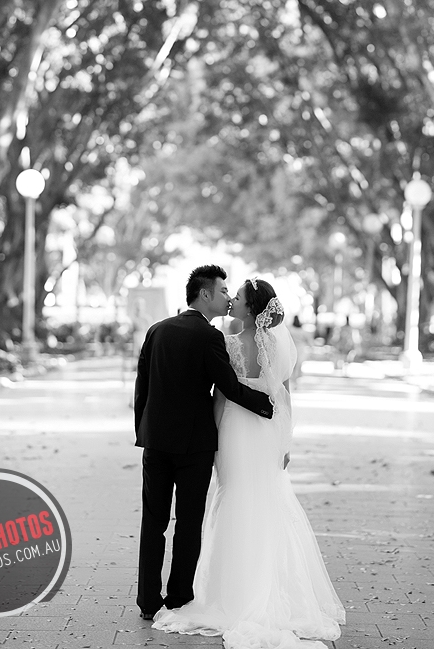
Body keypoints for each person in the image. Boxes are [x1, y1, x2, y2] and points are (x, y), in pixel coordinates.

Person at [153, 277, 345, 649]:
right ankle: (267, 585)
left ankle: (234, 592)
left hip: (234, 429)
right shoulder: (277, 346)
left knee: (234, 497)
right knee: (265, 499)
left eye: (238, 297)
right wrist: (285, 440)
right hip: (267, 428)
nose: (232, 301)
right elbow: (284, 393)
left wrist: (210, 439)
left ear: (251, 308)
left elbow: (221, 396)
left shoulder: (228, 343)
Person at [134, 264, 273, 621]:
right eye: (224, 291)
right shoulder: (209, 337)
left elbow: (142, 388)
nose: (228, 297)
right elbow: (229, 387)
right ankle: (178, 598)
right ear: (206, 294)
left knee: (153, 522)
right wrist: (267, 404)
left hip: (155, 443)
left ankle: (147, 601)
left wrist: (143, 432)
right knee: (188, 523)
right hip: (194, 446)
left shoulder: (156, 330)